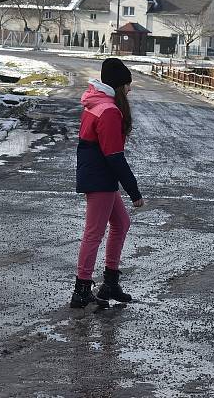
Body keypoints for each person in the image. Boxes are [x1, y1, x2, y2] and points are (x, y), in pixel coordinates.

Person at [72, 58, 144, 308]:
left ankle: (110, 283)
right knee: (93, 233)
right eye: (127, 85)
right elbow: (114, 156)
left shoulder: (97, 103)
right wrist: (134, 191)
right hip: (100, 178)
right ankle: (81, 287)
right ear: (119, 86)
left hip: (99, 175)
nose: (130, 90)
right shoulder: (110, 111)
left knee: (121, 223)